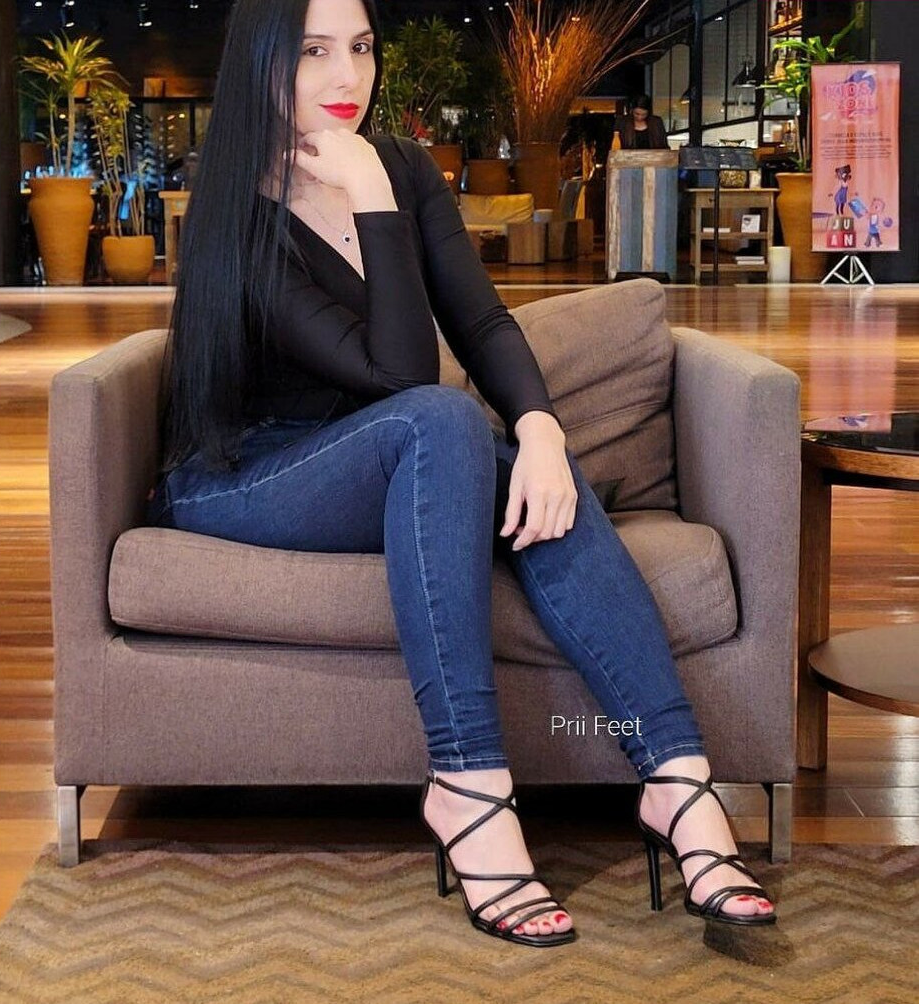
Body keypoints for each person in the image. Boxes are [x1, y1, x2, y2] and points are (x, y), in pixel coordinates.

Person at [147, 0, 776, 947]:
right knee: (442, 418)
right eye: (314, 51)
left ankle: (679, 783)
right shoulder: (237, 208)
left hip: (386, 453)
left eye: (361, 47)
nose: (347, 77)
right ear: (264, 60)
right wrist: (368, 195)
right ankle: (469, 785)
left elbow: (480, 323)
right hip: (247, 473)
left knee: (501, 448)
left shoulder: (402, 165)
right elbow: (401, 375)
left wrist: (545, 433)